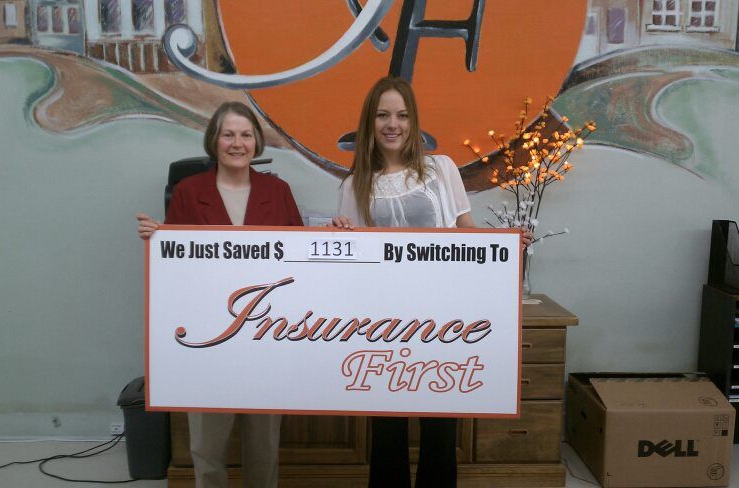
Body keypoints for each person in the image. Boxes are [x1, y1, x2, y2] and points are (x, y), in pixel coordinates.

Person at [332, 77, 531, 488]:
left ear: (413, 121)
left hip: (442, 320)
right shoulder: (354, 185)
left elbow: (465, 231)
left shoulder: (441, 169)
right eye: (383, 115)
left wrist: (504, 245)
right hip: (383, 323)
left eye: (402, 115)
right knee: (387, 430)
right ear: (370, 123)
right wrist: (340, 233)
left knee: (440, 428)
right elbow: (352, 255)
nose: (393, 124)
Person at [137, 101, 303, 488]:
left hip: (265, 337)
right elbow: (176, 267)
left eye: (245, 135)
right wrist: (158, 237)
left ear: (257, 143)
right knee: (206, 450)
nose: (237, 143)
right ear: (214, 140)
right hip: (207, 338)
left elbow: (300, 259)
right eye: (228, 134)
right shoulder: (188, 191)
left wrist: (338, 234)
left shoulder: (278, 191)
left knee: (263, 448)